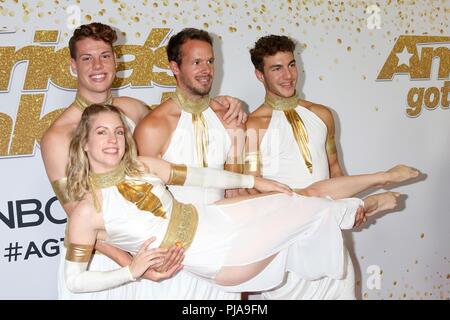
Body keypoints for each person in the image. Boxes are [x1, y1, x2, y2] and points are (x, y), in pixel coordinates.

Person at [63, 104, 419, 294]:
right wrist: (130, 270)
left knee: (296, 196)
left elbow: (201, 175)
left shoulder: (142, 165)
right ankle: (367, 205)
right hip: (216, 255)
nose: (113, 140)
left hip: (214, 216)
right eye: (102, 132)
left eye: (118, 131)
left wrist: (255, 180)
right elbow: (74, 281)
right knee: (310, 208)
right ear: (85, 142)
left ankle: (380, 180)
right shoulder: (85, 212)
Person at [41, 22, 245, 299]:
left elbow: (179, 117)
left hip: (150, 252)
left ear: (116, 60)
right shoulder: (59, 135)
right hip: (104, 264)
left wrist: (217, 103)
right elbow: (78, 215)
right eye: (87, 58)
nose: (98, 65)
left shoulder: (133, 109)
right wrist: (132, 266)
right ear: (73, 66)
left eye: (105, 56)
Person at [245, 35, 363, 299]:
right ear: (259, 75)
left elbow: (335, 170)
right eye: (276, 68)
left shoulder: (323, 115)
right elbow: (251, 194)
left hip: (330, 243)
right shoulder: (253, 127)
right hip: (285, 252)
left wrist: (351, 207)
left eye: (291, 64)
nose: (288, 75)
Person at [133, 28, 246, 299]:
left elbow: (236, 189)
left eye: (210, 61)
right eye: (196, 62)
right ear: (175, 67)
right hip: (175, 258)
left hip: (223, 250)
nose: (206, 69)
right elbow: (138, 202)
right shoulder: (153, 126)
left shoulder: (230, 117)